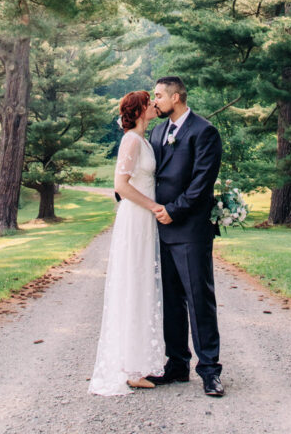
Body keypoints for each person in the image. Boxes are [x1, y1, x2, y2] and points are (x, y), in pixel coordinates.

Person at [147, 75, 224, 398]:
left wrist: (173, 210)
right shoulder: (157, 131)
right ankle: (176, 364)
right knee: (171, 303)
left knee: (198, 300)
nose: (155, 101)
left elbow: (201, 183)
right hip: (160, 231)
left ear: (176, 97)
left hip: (190, 230)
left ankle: (210, 371)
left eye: (160, 95)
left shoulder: (204, 132)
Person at [88, 90, 165, 395]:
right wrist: (153, 207)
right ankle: (129, 369)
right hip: (135, 218)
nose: (154, 105)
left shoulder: (146, 140)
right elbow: (121, 186)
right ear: (139, 110)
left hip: (145, 219)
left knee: (143, 284)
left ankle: (138, 361)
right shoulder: (131, 141)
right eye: (150, 102)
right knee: (133, 284)